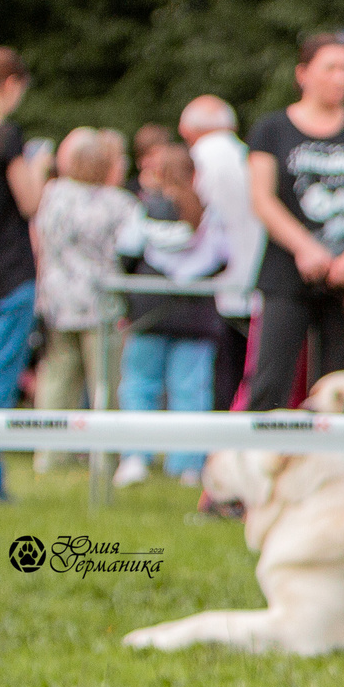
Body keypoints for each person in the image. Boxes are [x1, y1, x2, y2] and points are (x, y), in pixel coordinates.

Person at [245, 35, 344, 410]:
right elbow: (262, 198)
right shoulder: (272, 129)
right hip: (288, 269)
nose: (341, 78)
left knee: (341, 382)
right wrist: (305, 248)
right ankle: (261, 461)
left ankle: (333, 463)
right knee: (271, 377)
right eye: (330, 68)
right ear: (303, 74)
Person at [112, 142, 224, 490]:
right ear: (195, 174)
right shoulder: (210, 212)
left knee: (140, 386)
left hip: (150, 309)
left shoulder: (143, 209)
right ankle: (188, 465)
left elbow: (126, 252)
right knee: (191, 391)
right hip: (197, 312)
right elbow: (225, 257)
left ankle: (135, 459)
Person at [33, 129, 141, 465]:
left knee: (56, 380)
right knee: (104, 385)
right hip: (100, 303)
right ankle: (103, 457)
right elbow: (133, 246)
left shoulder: (53, 193)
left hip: (57, 300)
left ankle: (50, 456)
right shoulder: (119, 202)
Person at [0, 48, 44, 501]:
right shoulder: (6, 136)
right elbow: (30, 202)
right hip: (9, 275)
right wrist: (41, 165)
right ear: (12, 84)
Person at [179, 95, 261, 410]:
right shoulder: (247, 154)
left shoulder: (200, 158)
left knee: (215, 368)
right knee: (242, 365)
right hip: (252, 273)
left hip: (210, 277)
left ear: (190, 130)